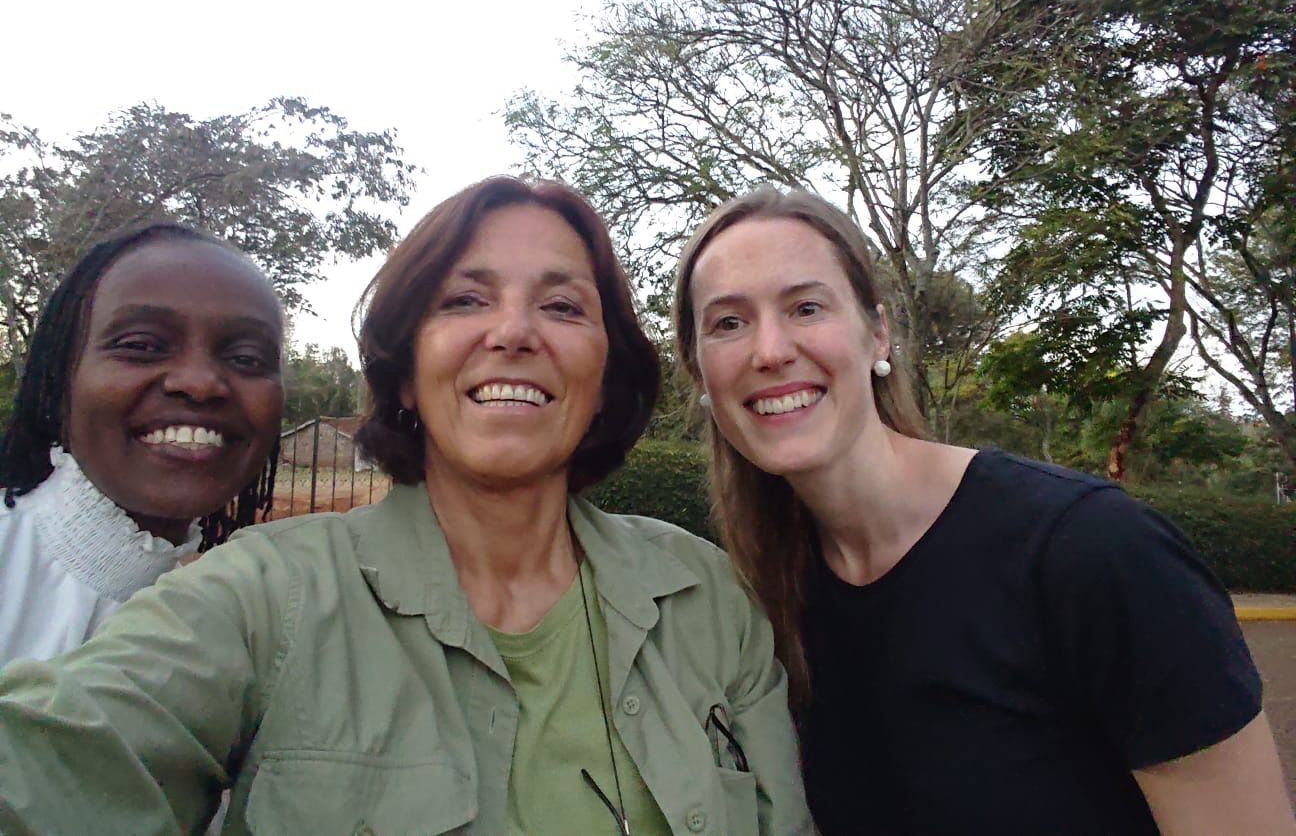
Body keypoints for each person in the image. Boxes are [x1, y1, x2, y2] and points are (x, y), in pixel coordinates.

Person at [0, 176, 812, 836]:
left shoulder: (705, 598)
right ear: (400, 374)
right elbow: (54, 760)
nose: (514, 331)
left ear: (606, 379)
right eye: (464, 300)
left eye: (563, 306)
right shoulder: (262, 597)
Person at [672, 185, 1295, 835]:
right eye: (729, 323)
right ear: (701, 372)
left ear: (877, 334)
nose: (769, 350)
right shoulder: (764, 601)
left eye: (805, 307)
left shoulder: (1091, 550)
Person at [0, 222, 284, 666]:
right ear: (60, 379)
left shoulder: (239, 631)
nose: (199, 383)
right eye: (141, 345)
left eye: (246, 358)